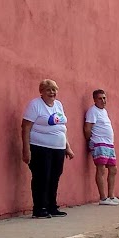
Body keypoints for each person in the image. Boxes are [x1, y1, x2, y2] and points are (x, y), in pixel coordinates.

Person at [21, 79, 74, 218]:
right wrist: (26, 149)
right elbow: (26, 127)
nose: (52, 92)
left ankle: (52, 206)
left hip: (58, 148)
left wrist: (67, 147)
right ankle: (39, 208)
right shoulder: (35, 105)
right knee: (41, 177)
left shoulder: (58, 105)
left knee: (54, 177)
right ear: (42, 92)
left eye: (54, 89)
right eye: (48, 90)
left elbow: (62, 128)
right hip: (40, 147)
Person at [84, 89, 119, 206]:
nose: (103, 100)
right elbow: (87, 128)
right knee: (101, 169)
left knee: (113, 169)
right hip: (99, 143)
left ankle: (111, 196)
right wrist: (91, 141)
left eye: (104, 98)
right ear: (95, 100)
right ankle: (103, 198)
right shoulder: (93, 111)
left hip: (109, 144)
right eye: (100, 98)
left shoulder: (104, 112)